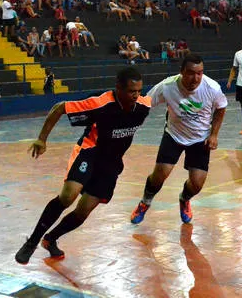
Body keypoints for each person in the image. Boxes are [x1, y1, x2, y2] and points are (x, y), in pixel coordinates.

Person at [15, 67, 151, 264]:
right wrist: (42, 139)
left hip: (111, 162)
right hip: (90, 151)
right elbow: (60, 107)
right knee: (68, 196)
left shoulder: (144, 105)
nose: (136, 95)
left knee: (83, 210)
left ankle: (51, 239)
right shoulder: (100, 103)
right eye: (131, 91)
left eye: (139, 90)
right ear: (118, 88)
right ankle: (32, 242)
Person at [130, 54, 227, 225]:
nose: (196, 78)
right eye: (191, 73)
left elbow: (221, 107)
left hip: (200, 139)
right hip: (174, 135)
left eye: (200, 73)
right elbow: (144, 104)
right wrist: (128, 123)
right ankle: (145, 202)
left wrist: (214, 134)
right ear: (181, 72)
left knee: (196, 184)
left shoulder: (212, 88)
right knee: (160, 175)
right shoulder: (167, 86)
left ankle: (184, 198)